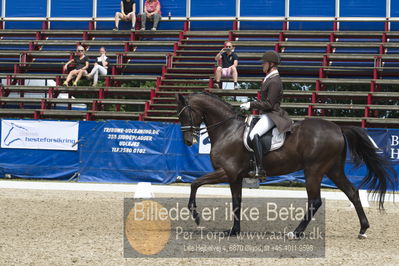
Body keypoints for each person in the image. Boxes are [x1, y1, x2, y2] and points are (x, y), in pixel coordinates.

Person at [240, 50, 292, 178]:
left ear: (271, 64)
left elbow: (269, 104)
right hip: (266, 113)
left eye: (264, 63)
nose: (262, 65)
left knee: (253, 135)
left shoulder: (274, 81)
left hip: (272, 114)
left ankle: (260, 168)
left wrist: (251, 105)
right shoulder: (270, 78)